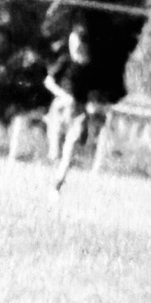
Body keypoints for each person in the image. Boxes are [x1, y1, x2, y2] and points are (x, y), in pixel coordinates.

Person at [44, 24, 102, 195]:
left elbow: (94, 93)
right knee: (54, 154)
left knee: (69, 151)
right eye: (72, 40)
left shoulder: (89, 68)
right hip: (61, 108)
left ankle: (56, 186)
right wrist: (62, 95)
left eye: (76, 41)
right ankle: (54, 160)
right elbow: (48, 82)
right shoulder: (65, 61)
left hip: (78, 114)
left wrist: (92, 105)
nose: (73, 44)